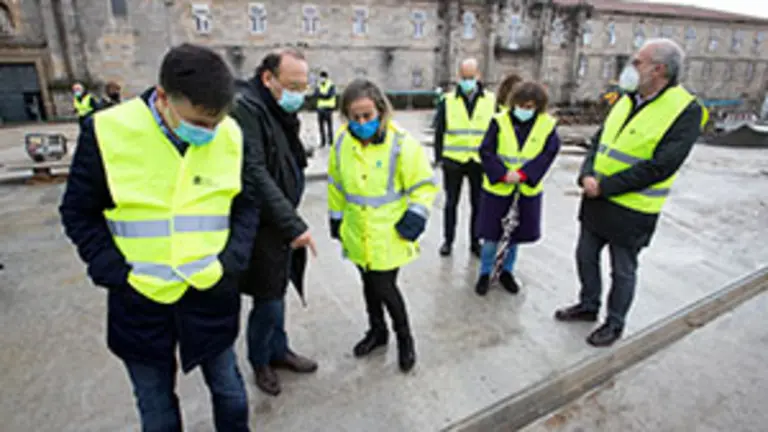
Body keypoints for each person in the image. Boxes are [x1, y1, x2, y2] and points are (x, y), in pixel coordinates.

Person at [59, 43, 260, 431]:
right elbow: (78, 212)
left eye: (215, 123)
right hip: (140, 298)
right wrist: (114, 272)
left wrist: (232, 262)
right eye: (198, 123)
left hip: (210, 289)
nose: (208, 133)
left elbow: (246, 204)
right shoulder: (107, 131)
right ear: (163, 97)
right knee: (156, 407)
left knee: (230, 392)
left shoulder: (230, 133)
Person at [554, 38, 708, 347]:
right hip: (596, 200)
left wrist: (605, 186)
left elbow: (662, 166)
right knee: (585, 256)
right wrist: (586, 174)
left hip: (632, 208)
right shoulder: (625, 99)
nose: (630, 67)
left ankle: (614, 323)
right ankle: (588, 305)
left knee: (622, 270)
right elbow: (599, 141)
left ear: (658, 69)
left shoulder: (685, 110)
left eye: (637, 62)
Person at [328, 79, 437, 373]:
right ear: (346, 116)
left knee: (385, 287)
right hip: (356, 230)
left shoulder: (401, 144)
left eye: (368, 116)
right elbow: (337, 186)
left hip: (389, 233)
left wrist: (416, 215)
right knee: (368, 284)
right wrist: (336, 218)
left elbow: (424, 185)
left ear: (380, 111)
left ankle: (405, 338)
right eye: (356, 117)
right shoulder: (341, 144)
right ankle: (377, 332)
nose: (362, 122)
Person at [230, 48, 319, 397]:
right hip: (262, 223)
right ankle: (260, 361)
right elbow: (254, 172)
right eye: (292, 84)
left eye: (303, 85)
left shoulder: (276, 108)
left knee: (278, 291)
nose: (299, 92)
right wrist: (292, 224)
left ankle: (279, 350)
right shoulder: (247, 109)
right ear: (268, 79)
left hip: (278, 222)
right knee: (267, 298)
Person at [475, 81, 561, 295]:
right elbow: (486, 150)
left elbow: (548, 154)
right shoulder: (499, 121)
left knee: (514, 235)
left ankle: (507, 271)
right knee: (491, 236)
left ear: (538, 107)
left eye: (530, 107)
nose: (525, 110)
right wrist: (502, 173)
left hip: (525, 189)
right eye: (521, 105)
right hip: (498, 188)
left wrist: (525, 174)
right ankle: (485, 273)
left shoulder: (546, 125)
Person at [433, 58, 497, 257]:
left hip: (479, 161)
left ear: (479, 76)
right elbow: (439, 131)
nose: (468, 81)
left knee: (478, 204)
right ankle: (448, 241)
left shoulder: (491, 101)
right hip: (454, 161)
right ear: (458, 77)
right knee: (451, 203)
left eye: (471, 77)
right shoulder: (448, 100)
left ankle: (475, 241)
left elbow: (496, 132)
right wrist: (439, 158)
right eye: (464, 77)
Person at [314, 70, 336, 147]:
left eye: (323, 77)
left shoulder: (331, 85)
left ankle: (331, 141)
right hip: (320, 109)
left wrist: (321, 95)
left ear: (326, 78)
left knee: (329, 126)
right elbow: (315, 94)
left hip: (328, 109)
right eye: (321, 78)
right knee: (321, 126)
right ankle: (322, 142)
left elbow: (329, 95)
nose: (321, 79)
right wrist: (323, 95)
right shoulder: (318, 85)